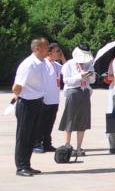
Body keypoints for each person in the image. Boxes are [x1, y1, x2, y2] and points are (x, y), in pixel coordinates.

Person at [11, 38, 51, 177]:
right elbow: (16, 87)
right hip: (26, 103)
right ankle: (21, 167)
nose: (48, 49)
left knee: (31, 135)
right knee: (24, 136)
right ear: (37, 48)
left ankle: (27, 164)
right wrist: (18, 98)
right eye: (46, 47)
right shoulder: (28, 64)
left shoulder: (42, 63)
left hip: (37, 102)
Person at [59, 46, 95, 156]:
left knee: (83, 120)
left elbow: (92, 80)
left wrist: (88, 74)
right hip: (73, 91)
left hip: (85, 91)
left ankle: (79, 147)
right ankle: (67, 145)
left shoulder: (89, 64)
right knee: (69, 118)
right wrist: (80, 76)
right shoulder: (68, 64)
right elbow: (66, 80)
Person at [36, 43, 64, 153]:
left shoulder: (56, 65)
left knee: (49, 124)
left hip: (54, 99)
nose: (59, 53)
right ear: (49, 52)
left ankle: (47, 144)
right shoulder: (43, 64)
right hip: (45, 99)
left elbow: (68, 69)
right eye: (57, 51)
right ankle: (37, 143)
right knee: (41, 123)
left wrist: (62, 58)